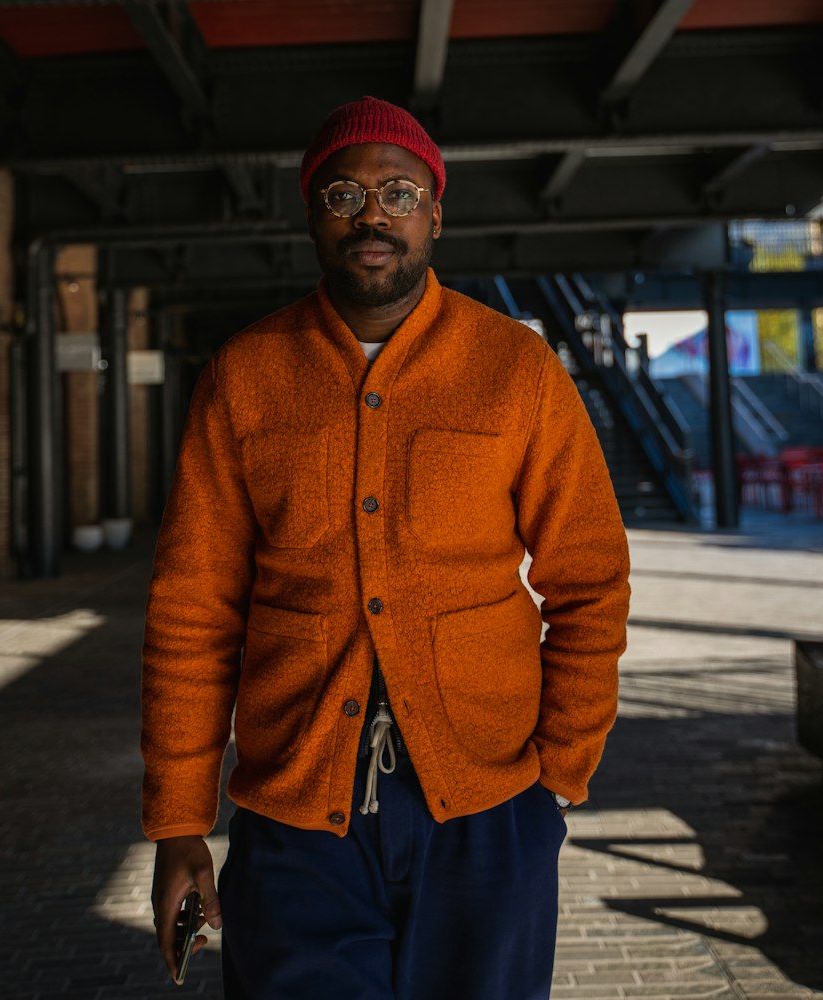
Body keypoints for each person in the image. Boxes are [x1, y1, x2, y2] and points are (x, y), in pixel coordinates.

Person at [141, 95, 631, 999]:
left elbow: (590, 580)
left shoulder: (515, 370)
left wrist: (558, 777)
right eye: (342, 195)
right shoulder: (245, 378)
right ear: (311, 216)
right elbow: (192, 607)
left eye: (399, 192)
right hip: (296, 818)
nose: (372, 214)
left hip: (489, 809)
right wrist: (178, 821)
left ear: (435, 214)